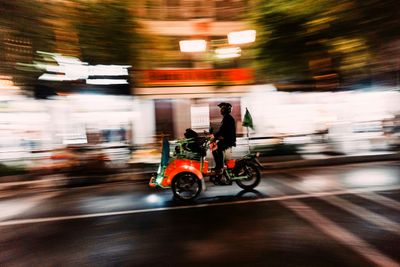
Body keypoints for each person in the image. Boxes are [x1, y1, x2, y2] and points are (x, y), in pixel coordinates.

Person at [212, 102, 236, 177]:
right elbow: (222, 130)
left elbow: (222, 131)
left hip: (229, 140)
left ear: (225, 110)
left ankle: (220, 167)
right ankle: (219, 166)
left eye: (222, 108)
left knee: (216, 148)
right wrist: (215, 135)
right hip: (227, 139)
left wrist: (215, 136)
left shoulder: (227, 118)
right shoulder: (226, 118)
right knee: (216, 147)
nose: (221, 110)